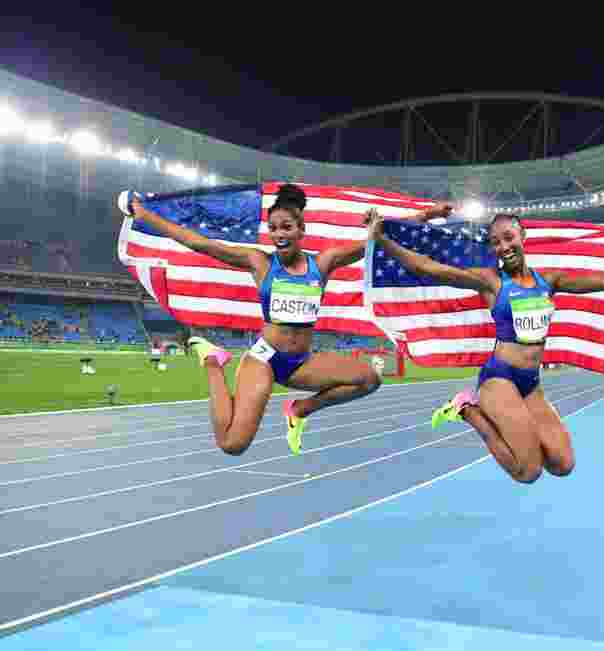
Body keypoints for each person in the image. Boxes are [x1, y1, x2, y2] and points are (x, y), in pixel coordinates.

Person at [119, 184, 448, 456]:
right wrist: (144, 214)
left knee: (369, 379)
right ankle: (212, 361)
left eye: (287, 227)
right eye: (273, 228)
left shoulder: (323, 263)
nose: (279, 234)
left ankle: (300, 410)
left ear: (301, 230)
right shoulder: (259, 262)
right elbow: (197, 242)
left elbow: (376, 239)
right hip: (264, 359)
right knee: (232, 444)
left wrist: (426, 216)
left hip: (301, 362)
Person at [365, 209, 604, 483]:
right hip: (500, 376)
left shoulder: (549, 281)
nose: (503, 246)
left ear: (522, 236)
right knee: (527, 471)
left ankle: (479, 411)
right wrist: (383, 241)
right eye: (496, 242)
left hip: (531, 382)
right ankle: (466, 410)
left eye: (508, 237)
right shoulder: (492, 282)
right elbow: (428, 268)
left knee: (562, 463)